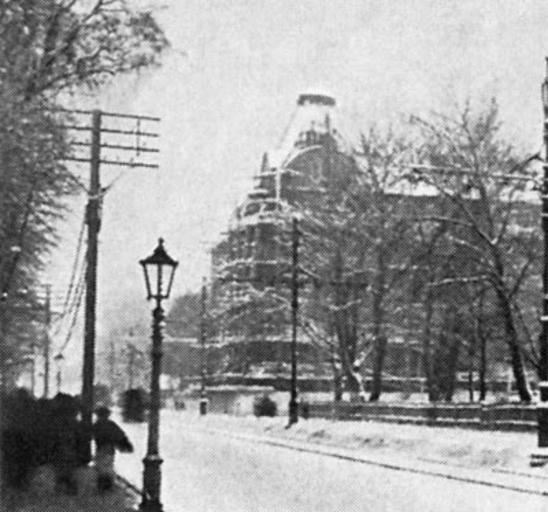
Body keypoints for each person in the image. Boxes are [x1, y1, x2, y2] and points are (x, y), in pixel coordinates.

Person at [92, 406, 133, 491]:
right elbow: (120, 435)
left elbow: (89, 436)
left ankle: (102, 484)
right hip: (109, 449)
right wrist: (126, 445)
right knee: (108, 466)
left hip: (100, 449)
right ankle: (107, 484)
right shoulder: (111, 425)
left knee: (101, 466)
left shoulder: (96, 425)